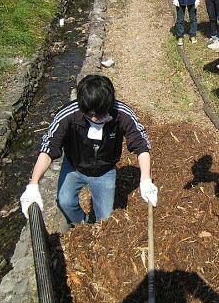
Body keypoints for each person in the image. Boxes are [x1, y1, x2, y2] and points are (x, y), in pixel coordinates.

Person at [19, 75, 158, 225]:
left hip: (105, 170)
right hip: (74, 166)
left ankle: (97, 230)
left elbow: (141, 144)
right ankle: (82, 224)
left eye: (100, 114)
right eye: (90, 114)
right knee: (65, 202)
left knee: (105, 219)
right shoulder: (68, 115)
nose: (94, 119)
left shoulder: (122, 114)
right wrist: (33, 184)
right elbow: (48, 148)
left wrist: (145, 180)